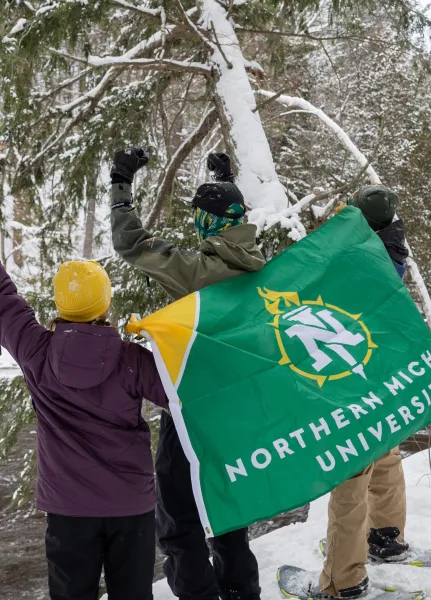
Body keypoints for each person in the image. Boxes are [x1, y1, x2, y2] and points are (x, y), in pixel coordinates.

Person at [110, 147, 264, 600]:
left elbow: (131, 244)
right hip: (244, 412)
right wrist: (225, 180)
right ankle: (241, 590)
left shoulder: (197, 272)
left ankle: (199, 594)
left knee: (177, 516)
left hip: (194, 408)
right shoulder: (266, 268)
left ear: (209, 225)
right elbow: (230, 223)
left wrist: (121, 184)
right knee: (229, 507)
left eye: (200, 217)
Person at [0, 259, 168, 600]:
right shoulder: (132, 359)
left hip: (68, 508)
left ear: (60, 303)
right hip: (130, 505)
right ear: (106, 303)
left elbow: (4, 302)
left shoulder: (36, 351)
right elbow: (183, 393)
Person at [313, 185, 410, 600]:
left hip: (351, 377)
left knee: (351, 476)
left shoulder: (358, 255)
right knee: (385, 454)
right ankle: (387, 536)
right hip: (382, 375)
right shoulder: (393, 246)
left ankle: (343, 580)